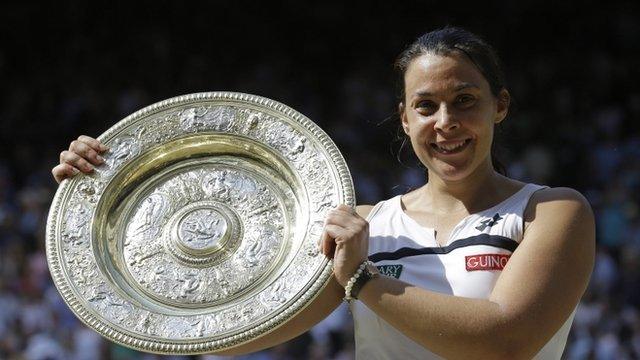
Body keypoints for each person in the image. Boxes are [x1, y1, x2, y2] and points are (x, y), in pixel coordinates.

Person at [52, 27, 595, 359]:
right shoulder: (362, 226)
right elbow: (227, 332)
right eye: (426, 106)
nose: (446, 121)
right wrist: (103, 198)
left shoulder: (552, 210)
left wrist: (362, 280)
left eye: (465, 100)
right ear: (405, 120)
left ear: (500, 105)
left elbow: (506, 345)